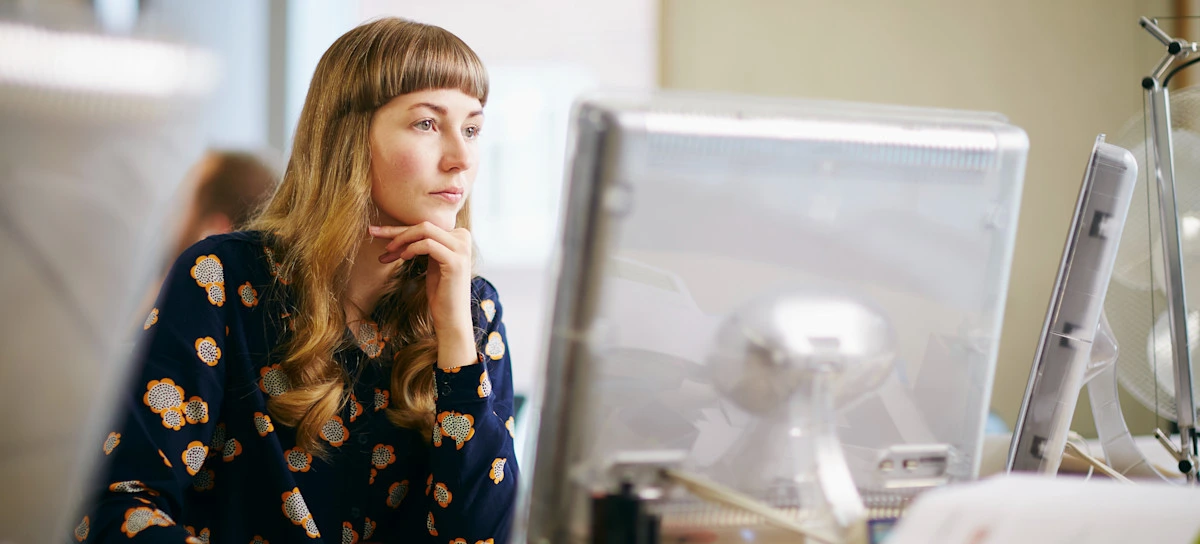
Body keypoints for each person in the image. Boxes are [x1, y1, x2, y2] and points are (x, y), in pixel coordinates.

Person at [77, 18, 518, 544]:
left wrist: (454, 337)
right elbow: (122, 508)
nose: (462, 158)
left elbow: (480, 533)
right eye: (427, 124)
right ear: (349, 138)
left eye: (471, 129)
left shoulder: (472, 310)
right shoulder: (220, 281)